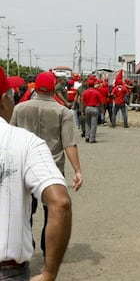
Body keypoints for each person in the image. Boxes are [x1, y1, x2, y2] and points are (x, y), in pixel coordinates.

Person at [0, 66, 72, 281]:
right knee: (32, 210)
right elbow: (60, 203)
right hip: (43, 170)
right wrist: (49, 273)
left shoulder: (21, 109)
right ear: (4, 100)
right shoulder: (26, 139)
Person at [10, 71, 83, 257]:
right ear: (53, 89)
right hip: (52, 169)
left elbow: (10, 137)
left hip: (23, 167)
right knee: (52, 210)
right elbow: (68, 143)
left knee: (25, 210)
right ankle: (47, 248)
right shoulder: (62, 112)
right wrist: (78, 171)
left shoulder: (20, 109)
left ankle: (27, 244)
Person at [82, 78, 103, 143]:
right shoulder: (97, 92)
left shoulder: (85, 92)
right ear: (94, 85)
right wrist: (102, 109)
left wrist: (82, 111)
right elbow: (101, 102)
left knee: (87, 123)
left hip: (87, 108)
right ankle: (92, 138)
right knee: (93, 124)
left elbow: (83, 103)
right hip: (94, 108)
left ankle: (87, 137)